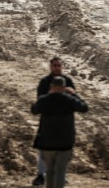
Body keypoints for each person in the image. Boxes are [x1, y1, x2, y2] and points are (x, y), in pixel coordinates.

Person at [31, 76, 88, 188]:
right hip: (64, 143)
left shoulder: (44, 100)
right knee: (60, 171)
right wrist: (74, 94)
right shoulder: (69, 100)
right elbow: (84, 107)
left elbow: (34, 110)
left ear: (51, 86)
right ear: (63, 87)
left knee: (49, 171)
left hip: (47, 142)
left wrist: (47, 95)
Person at [32, 58, 77, 186]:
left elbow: (74, 99)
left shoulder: (67, 81)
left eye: (59, 65)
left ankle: (61, 176)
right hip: (48, 121)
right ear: (50, 66)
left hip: (64, 121)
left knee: (63, 151)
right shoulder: (45, 82)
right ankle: (41, 175)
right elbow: (40, 100)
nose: (57, 67)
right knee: (44, 149)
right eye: (55, 65)